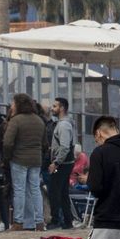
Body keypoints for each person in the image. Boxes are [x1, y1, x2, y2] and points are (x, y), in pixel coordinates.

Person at [3, 94, 47, 231]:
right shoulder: (39, 120)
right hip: (36, 159)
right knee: (35, 190)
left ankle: (18, 221)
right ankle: (39, 222)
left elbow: (7, 142)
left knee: (19, 190)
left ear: (18, 104)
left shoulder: (16, 120)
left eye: (13, 103)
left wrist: (7, 157)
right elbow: (45, 143)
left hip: (18, 159)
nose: (11, 106)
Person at [46, 98, 78, 230]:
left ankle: (56, 220)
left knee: (54, 191)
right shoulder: (65, 123)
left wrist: (56, 162)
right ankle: (67, 220)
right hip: (66, 162)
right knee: (63, 192)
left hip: (62, 163)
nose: (52, 108)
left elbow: (64, 146)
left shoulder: (64, 125)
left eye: (55, 106)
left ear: (62, 108)